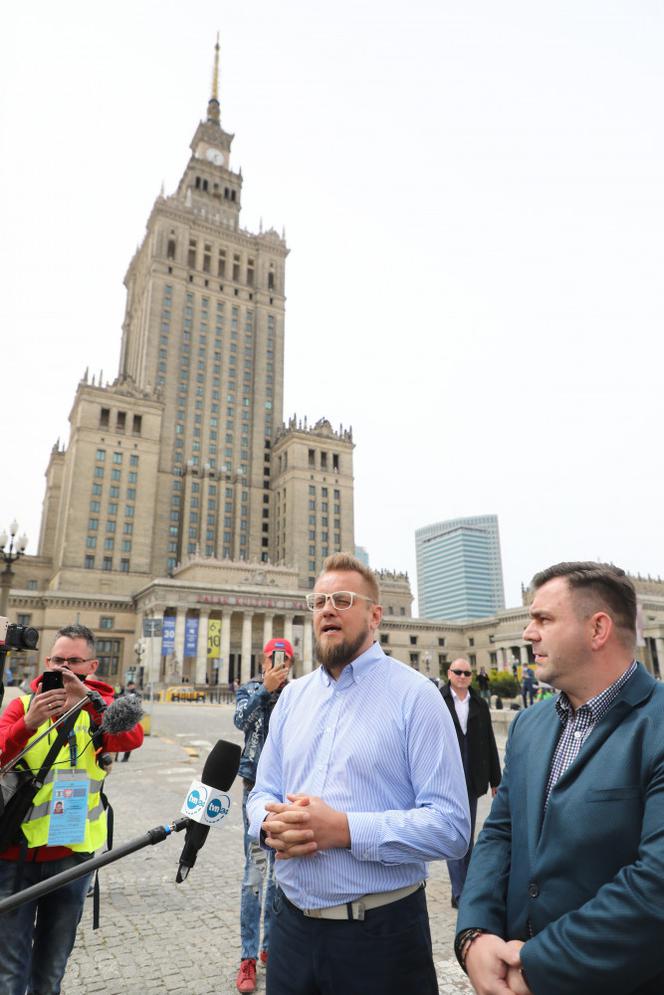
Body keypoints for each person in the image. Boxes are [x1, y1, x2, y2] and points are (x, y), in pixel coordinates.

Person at [247, 552, 470, 995]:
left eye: (343, 599)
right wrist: (270, 825)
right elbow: (261, 792)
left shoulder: (416, 697)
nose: (328, 608)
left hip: (381, 940)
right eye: (320, 601)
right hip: (290, 930)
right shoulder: (292, 700)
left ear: (375, 615)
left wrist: (345, 830)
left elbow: (451, 827)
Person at [456, 561, 664, 995]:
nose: (529, 633)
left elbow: (655, 885)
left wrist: (535, 965)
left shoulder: (656, 723)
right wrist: (473, 935)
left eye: (543, 619)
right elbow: (499, 833)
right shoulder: (528, 726)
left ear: (598, 629)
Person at [0, 623, 144, 995]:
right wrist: (28, 723)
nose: (65, 669)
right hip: (14, 855)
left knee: (51, 970)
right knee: (9, 970)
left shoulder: (99, 707)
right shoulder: (19, 704)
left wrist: (91, 704)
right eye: (58, 660)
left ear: (91, 666)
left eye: (74, 662)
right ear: (46, 661)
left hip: (72, 858)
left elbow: (131, 737)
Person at [234, 637, 294, 994]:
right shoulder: (251, 689)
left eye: (285, 659)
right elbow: (241, 720)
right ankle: (248, 957)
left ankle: (272, 946)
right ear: (263, 661)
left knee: (282, 871)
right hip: (255, 789)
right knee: (254, 872)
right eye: (274, 658)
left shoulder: (301, 693)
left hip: (290, 792)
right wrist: (265, 691)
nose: (279, 663)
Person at [441, 659, 501, 908]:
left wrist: (496, 779)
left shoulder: (479, 703)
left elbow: (488, 740)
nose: (463, 676)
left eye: (467, 673)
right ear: (449, 674)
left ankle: (467, 887)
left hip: (473, 774)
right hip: (446, 776)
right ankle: (460, 892)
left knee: (467, 835)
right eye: (458, 672)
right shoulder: (437, 700)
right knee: (453, 835)